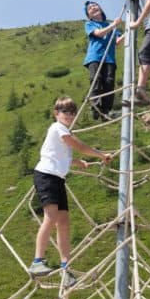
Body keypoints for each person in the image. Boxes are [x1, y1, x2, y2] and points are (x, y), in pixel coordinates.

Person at [28, 97, 112, 285]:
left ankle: (66, 267)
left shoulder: (63, 131)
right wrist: (101, 155)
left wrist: (77, 163)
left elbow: (59, 155)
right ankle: (37, 261)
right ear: (56, 113)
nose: (70, 115)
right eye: (65, 111)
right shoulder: (57, 128)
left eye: (73, 112)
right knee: (51, 217)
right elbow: (80, 146)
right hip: (46, 176)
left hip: (57, 178)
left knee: (64, 221)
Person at [83, 1, 123, 120]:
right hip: (95, 57)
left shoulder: (111, 26)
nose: (93, 7)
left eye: (95, 5)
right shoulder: (90, 24)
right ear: (89, 15)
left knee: (109, 83)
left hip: (109, 59)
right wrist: (112, 25)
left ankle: (106, 111)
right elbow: (99, 34)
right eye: (90, 8)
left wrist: (129, 32)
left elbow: (117, 42)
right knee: (96, 80)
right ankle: (96, 107)